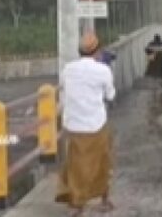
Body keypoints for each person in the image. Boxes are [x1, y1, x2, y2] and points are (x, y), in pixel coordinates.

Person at [56, 32, 116, 216]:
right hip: (95, 124)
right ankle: (104, 199)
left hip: (73, 125)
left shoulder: (67, 69)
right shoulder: (103, 70)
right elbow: (110, 95)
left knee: (76, 165)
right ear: (97, 51)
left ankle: (77, 205)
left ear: (79, 51)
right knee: (102, 161)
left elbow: (64, 94)